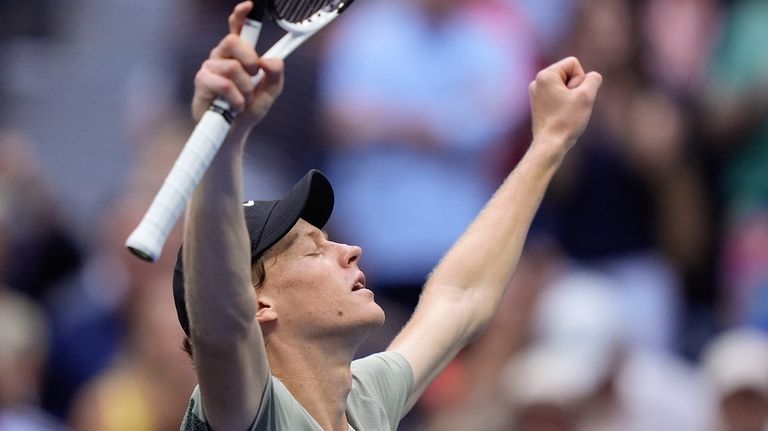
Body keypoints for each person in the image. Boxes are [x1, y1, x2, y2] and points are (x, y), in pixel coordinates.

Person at [172, 1, 602, 430]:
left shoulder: (364, 397)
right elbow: (218, 324)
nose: (350, 251)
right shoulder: (247, 412)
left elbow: (460, 297)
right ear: (258, 304)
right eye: (312, 251)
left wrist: (549, 142)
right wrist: (225, 138)